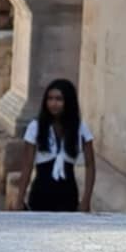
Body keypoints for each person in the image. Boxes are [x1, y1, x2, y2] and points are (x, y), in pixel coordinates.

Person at [13, 79, 95, 213]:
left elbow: (90, 165)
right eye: (50, 99)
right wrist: (19, 199)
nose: (53, 104)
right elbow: (27, 165)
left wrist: (86, 200)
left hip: (68, 195)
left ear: (68, 101)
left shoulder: (80, 128)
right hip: (41, 194)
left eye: (59, 99)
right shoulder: (35, 127)